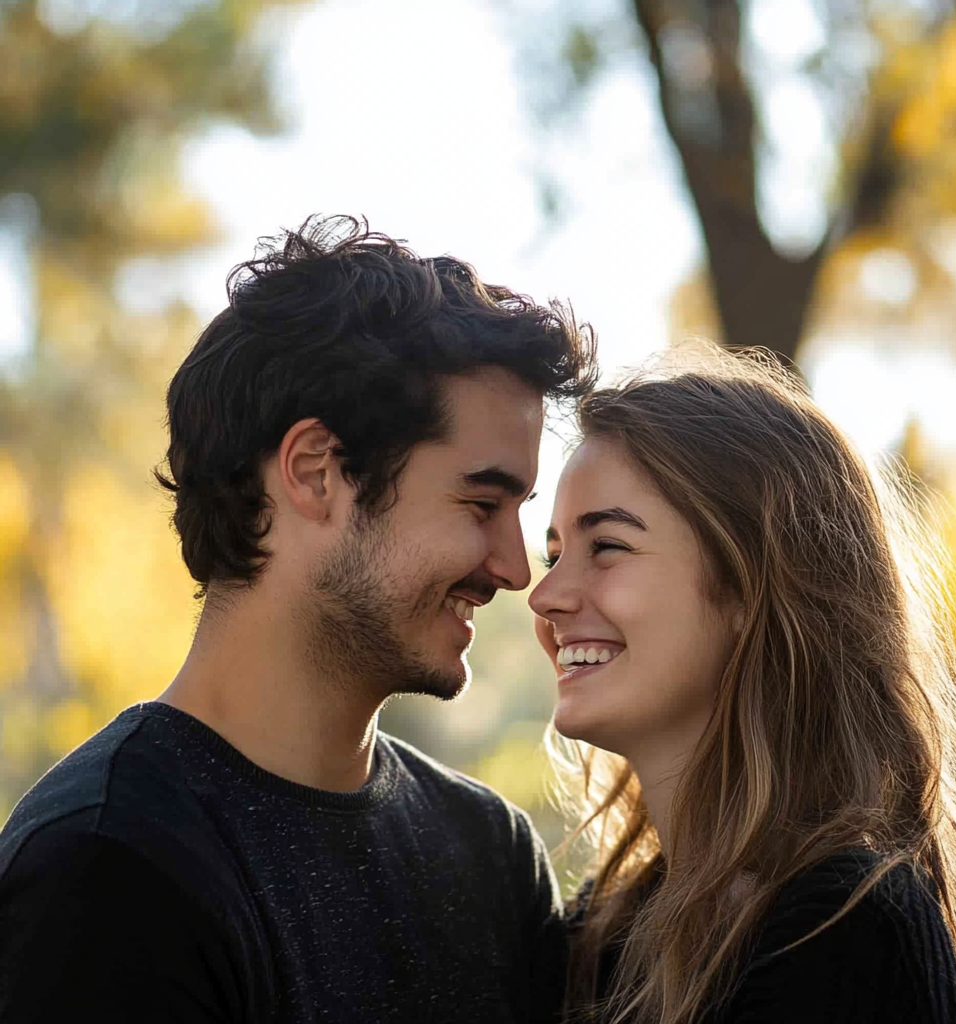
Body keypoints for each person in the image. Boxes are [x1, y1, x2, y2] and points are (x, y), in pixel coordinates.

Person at [0, 215, 597, 1023]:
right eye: (482, 503)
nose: (514, 570)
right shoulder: (106, 867)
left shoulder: (491, 853)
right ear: (316, 473)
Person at [529, 345, 956, 1024]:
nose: (545, 595)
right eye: (552, 554)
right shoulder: (597, 938)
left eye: (606, 546)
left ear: (750, 588)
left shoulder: (845, 927)